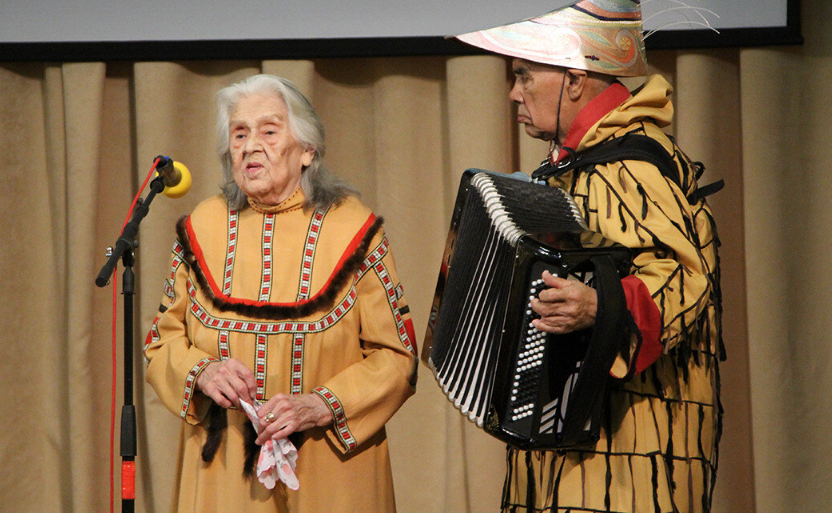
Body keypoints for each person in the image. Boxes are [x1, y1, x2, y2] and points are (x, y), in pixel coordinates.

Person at [453, 1, 723, 512]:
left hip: (628, 453)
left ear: (576, 79)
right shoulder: (574, 167)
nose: (514, 92)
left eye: (524, 75)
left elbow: (687, 277)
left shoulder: (631, 167)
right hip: (576, 450)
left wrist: (600, 306)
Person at [144, 74, 418, 513]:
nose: (251, 145)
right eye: (239, 133)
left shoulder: (354, 228)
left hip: (331, 469)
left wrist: (320, 405)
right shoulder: (203, 226)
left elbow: (397, 358)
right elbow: (162, 342)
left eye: (269, 131)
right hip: (226, 470)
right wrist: (201, 372)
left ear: (307, 149)